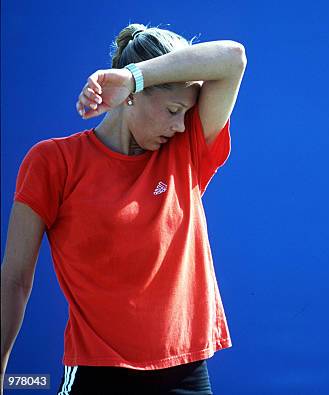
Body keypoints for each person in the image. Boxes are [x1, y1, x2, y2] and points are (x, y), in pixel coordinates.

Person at [1, 22, 247, 395]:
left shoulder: (187, 151)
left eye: (187, 113)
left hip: (187, 374)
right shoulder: (52, 162)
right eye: (173, 109)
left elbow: (233, 58)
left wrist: (133, 76)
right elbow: (14, 279)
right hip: (99, 376)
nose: (182, 125)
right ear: (131, 98)